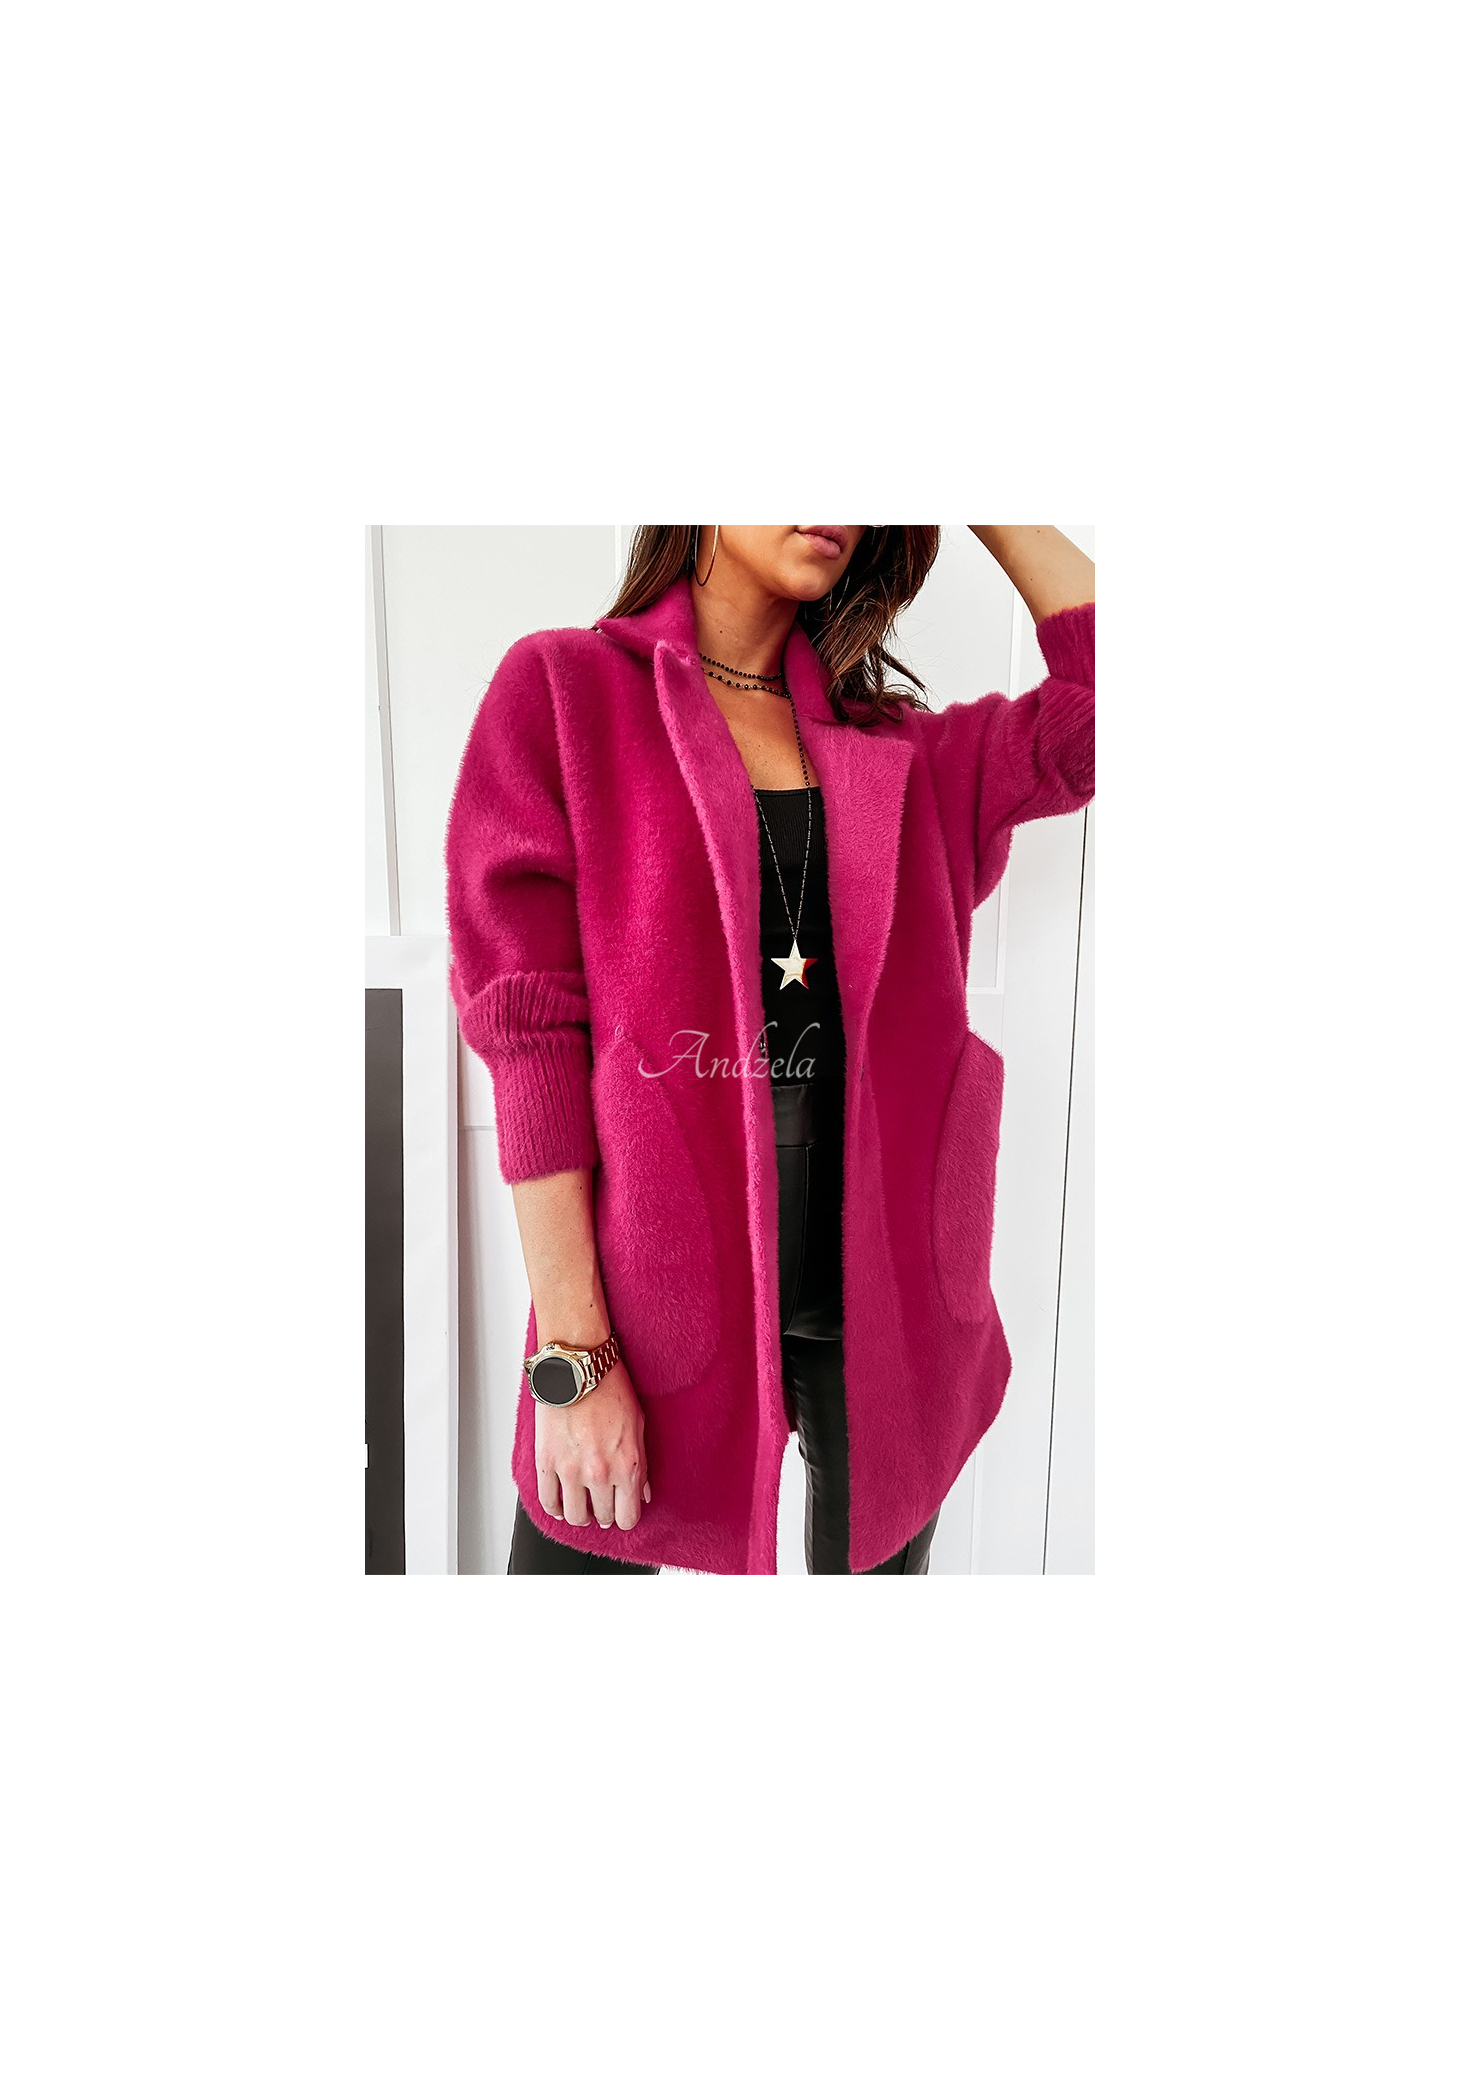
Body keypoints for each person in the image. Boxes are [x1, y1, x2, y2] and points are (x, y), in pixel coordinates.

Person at [444, 526, 1095, 1574]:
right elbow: (528, 1036)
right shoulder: (564, 693)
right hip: (649, 1299)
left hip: (887, 1299)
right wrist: (573, 1357)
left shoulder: (909, 752)